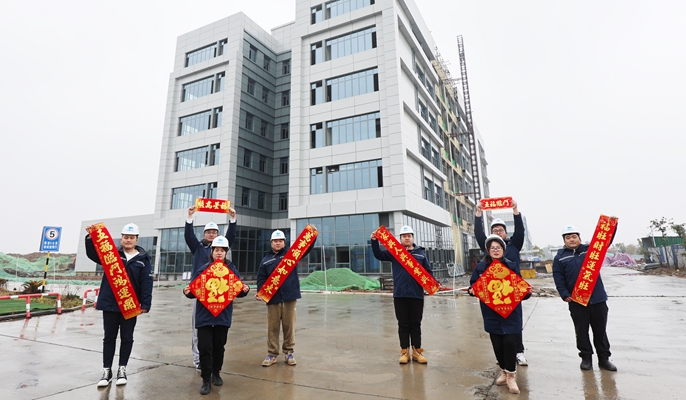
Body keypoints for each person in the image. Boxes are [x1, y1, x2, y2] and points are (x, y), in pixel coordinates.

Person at [84, 223, 153, 388]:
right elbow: (93, 254)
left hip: (130, 304)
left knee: (127, 338)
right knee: (109, 338)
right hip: (110, 303)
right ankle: (106, 371)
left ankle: (122, 369)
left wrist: (145, 303)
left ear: (136, 239)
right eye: (126, 237)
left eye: (132, 237)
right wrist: (90, 238)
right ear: (121, 239)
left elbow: (146, 282)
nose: (128, 240)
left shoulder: (143, 260)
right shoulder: (111, 255)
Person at [183, 236, 250, 395]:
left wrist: (244, 290)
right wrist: (187, 292)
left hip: (222, 316)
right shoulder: (202, 269)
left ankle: (216, 373)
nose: (219, 253)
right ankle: (206, 380)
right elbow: (193, 290)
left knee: (219, 347)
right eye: (216, 250)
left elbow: (237, 290)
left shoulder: (232, 270)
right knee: (205, 348)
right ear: (211, 252)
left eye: (222, 250)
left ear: (226, 252)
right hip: (204, 316)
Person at [469, 235, 529, 394]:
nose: (496, 250)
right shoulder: (481, 267)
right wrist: (472, 290)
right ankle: (503, 371)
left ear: (503, 250)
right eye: (492, 248)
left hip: (510, 313)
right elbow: (473, 285)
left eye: (498, 248)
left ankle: (511, 376)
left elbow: (520, 287)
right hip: (491, 314)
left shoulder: (511, 265)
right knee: (497, 345)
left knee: (509, 344)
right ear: (488, 250)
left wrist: (527, 292)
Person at [553, 225, 617, 372]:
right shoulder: (560, 257)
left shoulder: (591, 251)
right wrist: (564, 294)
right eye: (568, 237)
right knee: (581, 331)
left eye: (574, 236)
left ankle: (604, 359)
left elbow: (606, 241)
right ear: (564, 241)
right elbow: (558, 278)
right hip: (576, 301)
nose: (571, 240)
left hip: (597, 298)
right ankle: (586, 358)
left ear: (579, 238)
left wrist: (612, 225)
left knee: (600, 331)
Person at [474, 200, 528, 366]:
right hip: (493, 294)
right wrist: (478, 213)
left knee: (514, 324)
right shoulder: (489, 248)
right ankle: (504, 357)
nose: (498, 232)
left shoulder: (514, 245)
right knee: (497, 326)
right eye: (495, 230)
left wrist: (515, 210)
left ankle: (519, 352)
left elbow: (520, 230)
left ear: (505, 232)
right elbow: (478, 233)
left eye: (501, 230)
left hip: (511, 292)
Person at [370, 225, 433, 364]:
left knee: (415, 324)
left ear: (413, 238)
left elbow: (428, 272)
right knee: (403, 324)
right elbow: (379, 255)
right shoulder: (395, 252)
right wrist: (374, 241)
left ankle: (417, 352)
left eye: (409, 236)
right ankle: (405, 352)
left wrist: (434, 284)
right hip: (400, 295)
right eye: (404, 236)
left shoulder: (420, 254)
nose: (407, 238)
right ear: (400, 239)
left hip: (416, 295)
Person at [185, 206, 237, 370]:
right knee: (199, 329)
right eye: (208, 232)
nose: (211, 234)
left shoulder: (220, 250)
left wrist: (233, 219)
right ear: (204, 234)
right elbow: (189, 236)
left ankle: (213, 361)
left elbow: (231, 237)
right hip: (201, 293)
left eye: (214, 232)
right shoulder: (198, 248)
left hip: (219, 293)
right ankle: (198, 359)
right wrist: (189, 217)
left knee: (218, 330)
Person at [256, 228, 316, 367]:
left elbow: (306, 249)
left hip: (290, 296)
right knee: (273, 327)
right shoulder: (266, 260)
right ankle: (272, 354)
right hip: (273, 299)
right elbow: (261, 278)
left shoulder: (291, 255)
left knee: (289, 326)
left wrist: (312, 236)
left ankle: (289, 352)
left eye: (280, 241)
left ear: (284, 242)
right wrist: (260, 292)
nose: (278, 243)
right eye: (275, 241)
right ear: (271, 242)